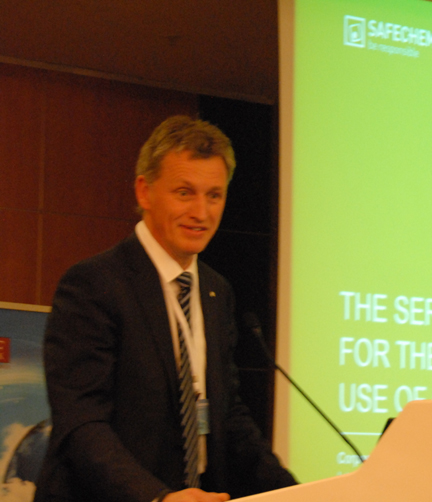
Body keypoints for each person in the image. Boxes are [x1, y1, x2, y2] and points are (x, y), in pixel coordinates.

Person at [34, 116, 296, 502]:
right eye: (185, 193)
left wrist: (299, 492)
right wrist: (158, 497)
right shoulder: (94, 284)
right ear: (144, 191)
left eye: (214, 195)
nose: (201, 212)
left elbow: (228, 417)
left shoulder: (216, 291)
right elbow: (82, 424)